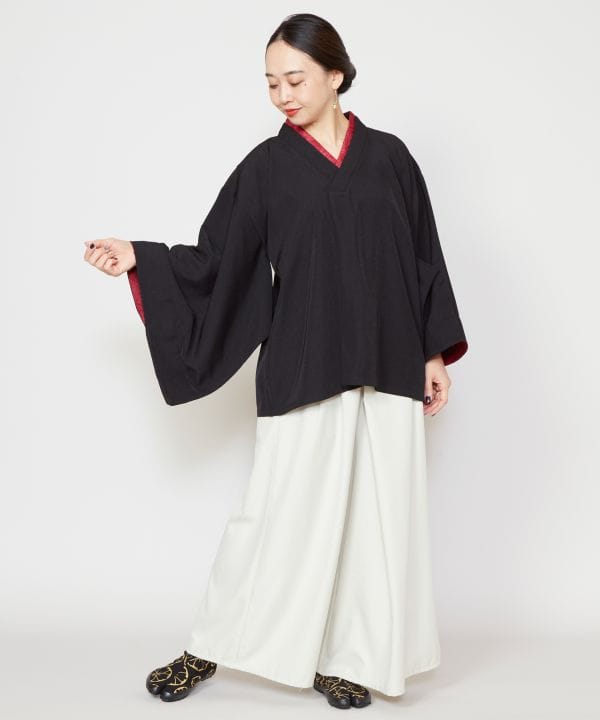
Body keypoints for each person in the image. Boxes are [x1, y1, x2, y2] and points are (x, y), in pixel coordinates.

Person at [83, 12, 468, 709]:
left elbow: (423, 259)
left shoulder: (391, 159)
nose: (282, 95)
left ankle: (348, 659)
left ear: (336, 75)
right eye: (270, 83)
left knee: (377, 521)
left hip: (389, 360)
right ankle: (210, 645)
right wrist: (141, 257)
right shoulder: (266, 168)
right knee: (275, 515)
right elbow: (217, 260)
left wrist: (433, 353)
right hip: (304, 359)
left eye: (295, 79)